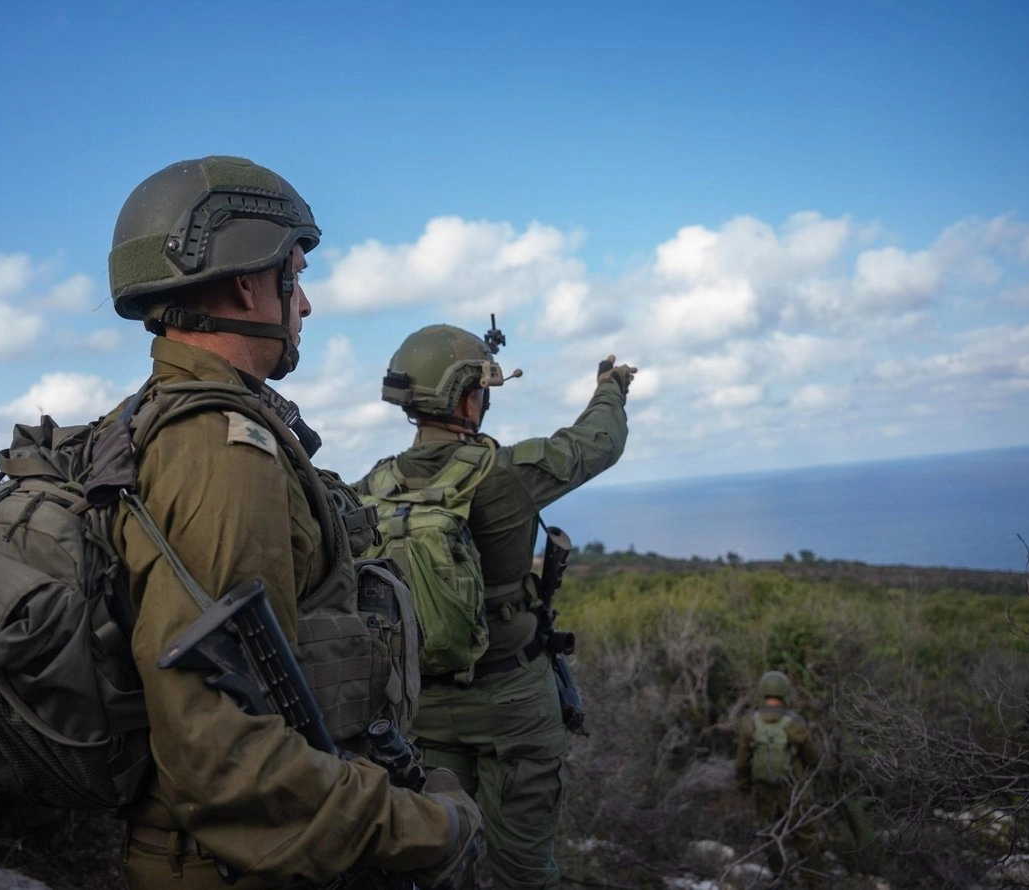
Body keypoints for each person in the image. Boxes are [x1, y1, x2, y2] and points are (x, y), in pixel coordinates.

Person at [105, 156, 480, 890]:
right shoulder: (220, 452)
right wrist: (422, 828)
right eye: (294, 275)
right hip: (241, 864)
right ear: (248, 281)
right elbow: (219, 751)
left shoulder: (158, 420)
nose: (303, 304)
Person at [356, 324, 635, 890]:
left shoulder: (372, 488)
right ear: (468, 396)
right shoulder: (503, 472)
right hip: (513, 705)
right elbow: (596, 444)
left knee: (431, 866)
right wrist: (610, 389)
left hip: (419, 710)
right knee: (523, 871)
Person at [735, 670, 823, 887]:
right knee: (806, 836)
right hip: (791, 789)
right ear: (785, 693)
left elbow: (742, 760)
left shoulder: (750, 722)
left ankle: (782, 880)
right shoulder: (795, 724)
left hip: (763, 789)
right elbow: (813, 758)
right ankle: (812, 882)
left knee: (770, 834)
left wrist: (743, 783)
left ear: (762, 693)